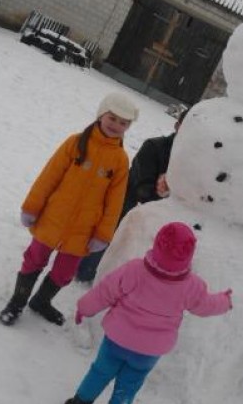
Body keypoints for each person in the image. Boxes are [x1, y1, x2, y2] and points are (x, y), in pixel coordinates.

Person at [63, 221, 232, 404]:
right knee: (129, 384)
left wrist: (84, 308)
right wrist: (225, 301)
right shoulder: (191, 286)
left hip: (117, 340)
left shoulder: (134, 270)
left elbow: (105, 291)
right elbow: (205, 305)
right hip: (148, 352)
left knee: (100, 372)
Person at [0, 91, 139, 327]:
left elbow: (114, 202)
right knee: (33, 260)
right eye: (112, 118)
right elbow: (49, 176)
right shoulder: (76, 142)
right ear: (101, 115)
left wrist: (103, 234)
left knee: (64, 273)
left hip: (83, 230)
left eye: (123, 122)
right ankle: (17, 302)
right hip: (53, 218)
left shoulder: (120, 160)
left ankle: (41, 301)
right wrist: (32, 207)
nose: (116, 125)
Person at [75, 107, 189, 283]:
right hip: (127, 201)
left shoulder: (193, 159)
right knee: (111, 234)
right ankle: (87, 268)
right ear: (177, 125)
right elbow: (142, 187)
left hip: (161, 212)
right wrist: (162, 194)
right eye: (186, 126)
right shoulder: (154, 146)